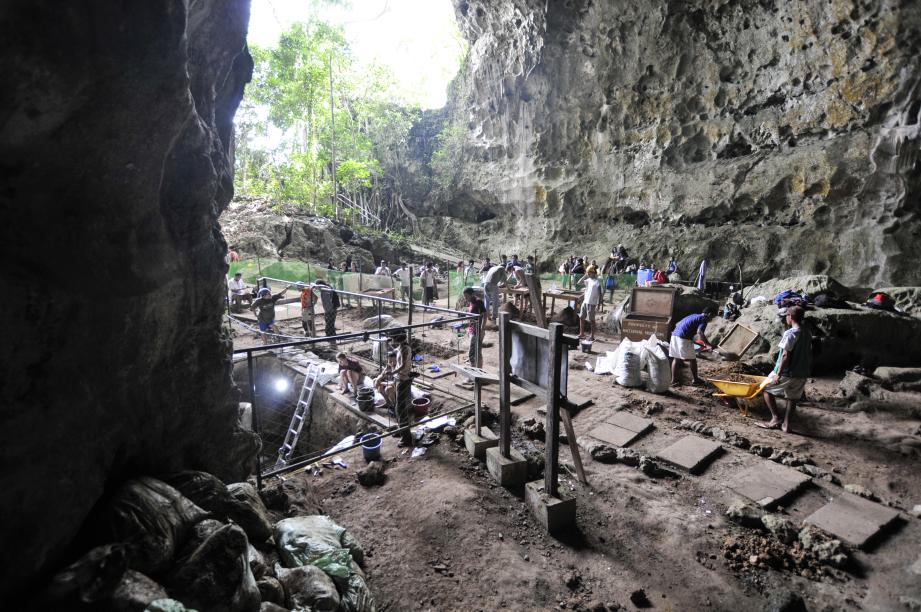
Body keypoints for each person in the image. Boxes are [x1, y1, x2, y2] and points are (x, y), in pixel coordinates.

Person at [759, 306, 812, 433]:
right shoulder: (807, 332)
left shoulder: (791, 333)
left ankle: (776, 418)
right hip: (802, 372)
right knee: (792, 397)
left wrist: (778, 373)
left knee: (766, 389)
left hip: (788, 372)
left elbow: (785, 355)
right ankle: (786, 425)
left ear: (790, 317)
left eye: (787, 316)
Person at [669, 307, 717, 385]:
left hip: (674, 336)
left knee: (676, 359)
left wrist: (700, 344)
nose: (712, 319)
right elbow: (700, 332)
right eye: (713, 317)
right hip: (683, 338)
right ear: (709, 314)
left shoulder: (694, 315)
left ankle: (673, 381)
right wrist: (709, 345)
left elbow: (687, 327)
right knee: (692, 359)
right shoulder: (703, 319)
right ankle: (695, 380)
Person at [390, 333, 414, 446]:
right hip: (398, 378)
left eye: (392, 337)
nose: (391, 339)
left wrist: (392, 372)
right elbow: (395, 350)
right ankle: (401, 430)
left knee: (401, 409)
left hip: (403, 379)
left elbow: (403, 365)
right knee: (397, 406)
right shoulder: (400, 347)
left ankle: (406, 438)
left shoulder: (405, 349)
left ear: (397, 339)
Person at [464, 287, 487, 367]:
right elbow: (471, 318)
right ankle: (478, 372)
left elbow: (485, 315)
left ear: (472, 294)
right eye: (465, 296)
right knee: (475, 351)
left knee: (473, 352)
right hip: (472, 330)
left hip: (477, 330)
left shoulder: (478, 301)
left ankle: (476, 372)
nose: (465, 298)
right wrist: (468, 330)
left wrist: (482, 329)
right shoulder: (471, 302)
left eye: (467, 296)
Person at [576, 266, 601, 340]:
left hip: (592, 303)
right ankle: (581, 333)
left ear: (594, 273)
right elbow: (579, 282)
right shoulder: (588, 280)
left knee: (591, 320)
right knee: (581, 317)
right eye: (588, 273)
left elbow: (600, 294)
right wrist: (585, 275)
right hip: (585, 301)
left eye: (590, 272)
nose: (588, 274)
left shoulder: (597, 283)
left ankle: (592, 336)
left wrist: (599, 305)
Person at [316, 279, 339, 344]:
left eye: (317, 286)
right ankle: (332, 338)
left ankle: (330, 338)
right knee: (330, 324)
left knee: (329, 325)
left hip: (331, 310)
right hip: (330, 309)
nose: (316, 288)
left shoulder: (326, 290)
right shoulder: (325, 289)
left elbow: (328, 302)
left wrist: (328, 311)